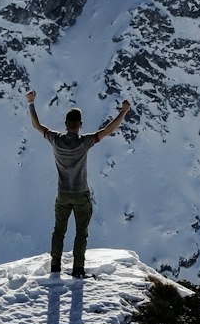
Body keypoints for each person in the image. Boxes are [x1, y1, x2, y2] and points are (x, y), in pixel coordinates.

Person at [26, 89, 131, 277]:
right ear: (80, 125)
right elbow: (108, 130)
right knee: (81, 232)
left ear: (66, 124)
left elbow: (36, 125)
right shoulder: (85, 142)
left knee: (59, 231)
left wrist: (31, 102)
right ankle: (78, 269)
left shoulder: (55, 140)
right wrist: (123, 112)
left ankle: (56, 266)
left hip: (63, 193)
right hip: (81, 193)